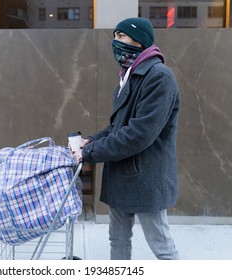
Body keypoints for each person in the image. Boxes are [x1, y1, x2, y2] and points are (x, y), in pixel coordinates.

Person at [74, 17, 180, 260]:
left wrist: (90, 153)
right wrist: (91, 141)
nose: (115, 41)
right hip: (122, 176)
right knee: (118, 240)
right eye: (114, 36)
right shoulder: (128, 76)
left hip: (146, 179)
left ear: (139, 40)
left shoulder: (158, 77)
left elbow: (139, 134)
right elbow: (118, 127)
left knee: (161, 245)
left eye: (121, 36)